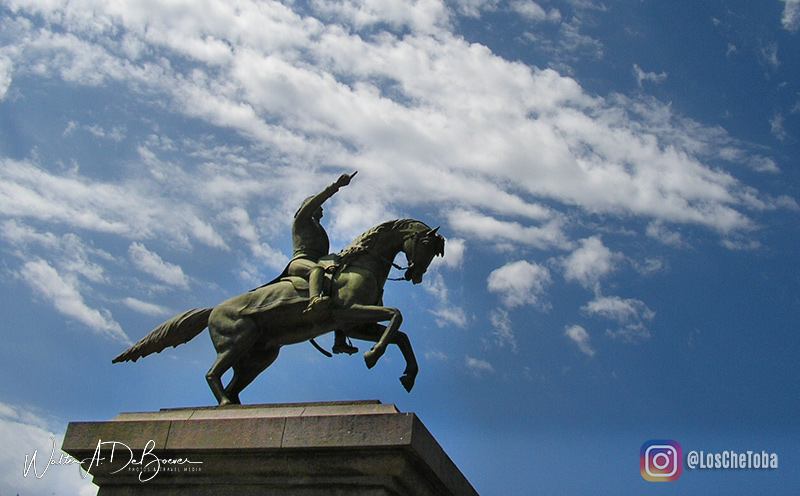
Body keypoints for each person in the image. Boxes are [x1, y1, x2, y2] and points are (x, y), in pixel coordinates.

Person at [288, 171, 358, 355]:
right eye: (318, 206)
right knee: (317, 270)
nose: (322, 210)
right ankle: (314, 301)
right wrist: (336, 186)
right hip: (301, 262)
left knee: (341, 289)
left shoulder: (320, 230)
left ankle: (340, 340)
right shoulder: (302, 220)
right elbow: (315, 203)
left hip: (318, 262)